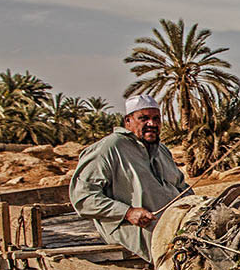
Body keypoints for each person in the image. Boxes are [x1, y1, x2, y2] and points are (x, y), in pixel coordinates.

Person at [69, 94, 192, 261]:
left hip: (172, 223)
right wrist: (127, 212)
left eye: (156, 118)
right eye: (144, 118)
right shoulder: (109, 148)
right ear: (128, 121)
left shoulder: (162, 150)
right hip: (135, 229)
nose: (152, 124)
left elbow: (181, 188)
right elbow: (83, 198)